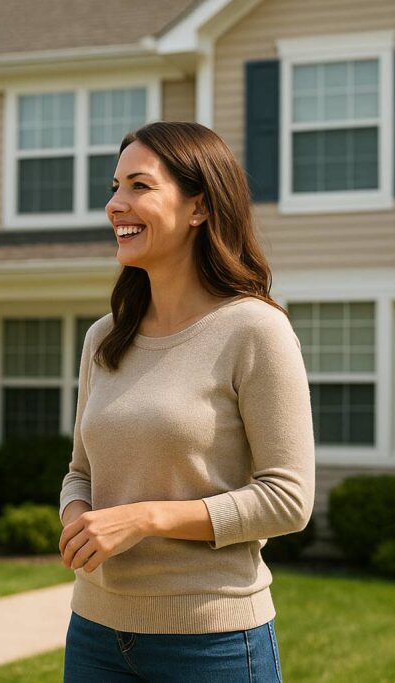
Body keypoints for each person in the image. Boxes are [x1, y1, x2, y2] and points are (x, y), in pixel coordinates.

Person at [58, 121, 314, 681]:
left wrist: (146, 519)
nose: (114, 205)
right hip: (95, 634)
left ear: (198, 208)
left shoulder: (255, 329)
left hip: (213, 642)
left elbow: (288, 498)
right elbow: (80, 471)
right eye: (114, 186)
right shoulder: (105, 337)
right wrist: (77, 517)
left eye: (138, 187)